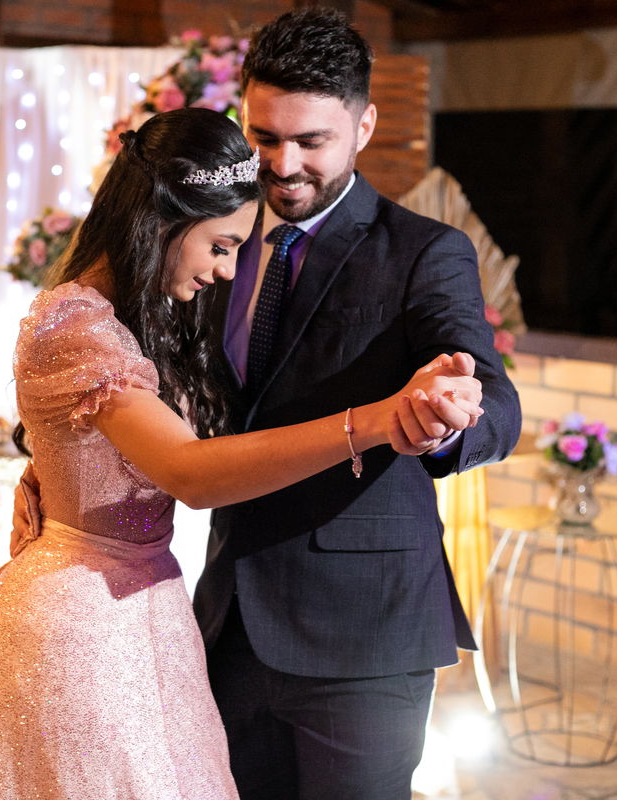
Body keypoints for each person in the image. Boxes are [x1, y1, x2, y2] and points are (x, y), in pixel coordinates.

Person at [0, 107, 482, 800]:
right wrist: (375, 420)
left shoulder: (141, 320)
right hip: (80, 622)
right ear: (163, 222)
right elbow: (189, 472)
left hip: (153, 607)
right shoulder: (73, 324)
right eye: (221, 246)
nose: (227, 270)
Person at [191, 10, 523, 800]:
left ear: (364, 126)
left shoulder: (423, 252)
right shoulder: (214, 241)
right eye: (265, 137)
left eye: (312, 141)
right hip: (230, 622)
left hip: (364, 640)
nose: (284, 164)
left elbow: (497, 403)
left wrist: (447, 415)